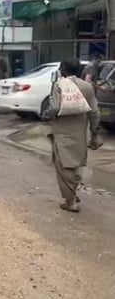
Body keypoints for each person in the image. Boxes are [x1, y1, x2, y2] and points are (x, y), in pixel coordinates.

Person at [45, 59, 102, 212]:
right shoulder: (87, 87)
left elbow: (55, 108)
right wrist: (94, 132)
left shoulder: (59, 85)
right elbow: (95, 113)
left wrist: (48, 115)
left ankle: (70, 201)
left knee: (63, 166)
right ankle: (72, 195)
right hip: (80, 132)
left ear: (63, 69)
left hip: (62, 132)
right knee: (76, 164)